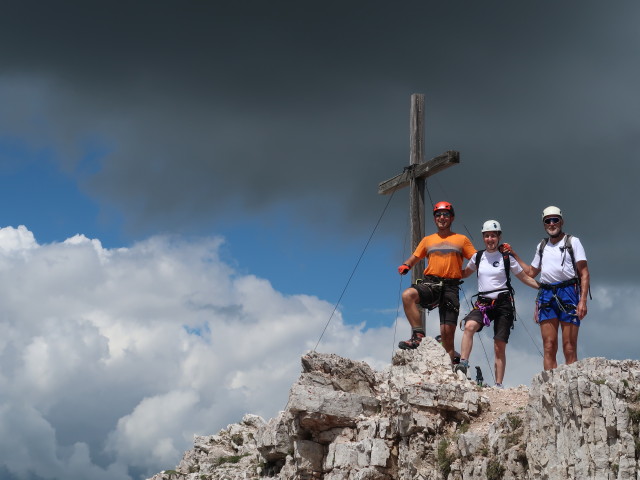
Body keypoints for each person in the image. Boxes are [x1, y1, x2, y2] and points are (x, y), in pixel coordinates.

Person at [456, 220, 539, 387]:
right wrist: (446, 270)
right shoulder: (477, 257)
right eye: (487, 236)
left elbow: (524, 277)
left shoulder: (506, 258)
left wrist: (543, 287)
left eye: (493, 235)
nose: (490, 239)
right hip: (483, 302)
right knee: (469, 325)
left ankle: (499, 384)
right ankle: (463, 363)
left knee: (499, 345)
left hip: (503, 303)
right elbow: (464, 273)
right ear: (483, 237)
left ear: (499, 237)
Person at [508, 206, 590, 370]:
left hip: (568, 292)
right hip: (546, 294)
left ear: (561, 221)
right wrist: (513, 255)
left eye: (555, 220)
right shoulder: (542, 246)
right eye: (548, 221)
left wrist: (582, 301)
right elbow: (531, 272)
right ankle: (550, 387)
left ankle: (570, 387)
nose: (552, 223)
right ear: (544, 224)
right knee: (549, 345)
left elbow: (584, 273)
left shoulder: (573, 242)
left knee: (569, 345)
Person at [397, 201, 475, 362]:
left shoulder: (461, 239)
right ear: (434, 219)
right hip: (431, 283)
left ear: (452, 218)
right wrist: (406, 265)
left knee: (447, 335)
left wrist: (465, 273)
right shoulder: (428, 240)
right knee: (408, 295)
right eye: (438, 215)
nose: (441, 218)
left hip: (451, 287)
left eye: (445, 214)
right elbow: (416, 256)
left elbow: (476, 259)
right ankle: (418, 335)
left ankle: (450, 368)